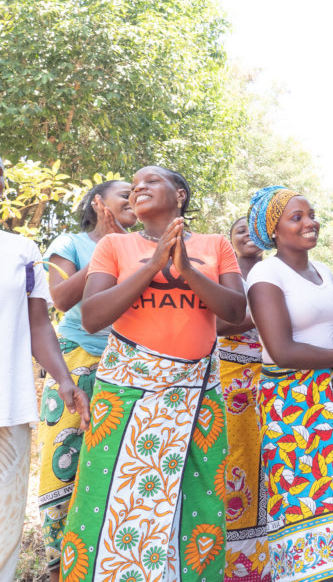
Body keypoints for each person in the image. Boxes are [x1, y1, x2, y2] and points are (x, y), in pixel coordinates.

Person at [64, 165, 246, 582]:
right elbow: (92, 317)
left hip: (197, 395)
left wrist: (188, 269)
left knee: (195, 505)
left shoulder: (216, 244)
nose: (138, 188)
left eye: (152, 181)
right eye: (134, 184)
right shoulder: (113, 245)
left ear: (179, 194)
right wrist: (152, 265)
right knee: (112, 500)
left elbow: (236, 311)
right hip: (127, 396)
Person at [246, 186, 333, 582]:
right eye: (296, 217)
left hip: (328, 399)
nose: (310, 222)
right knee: (302, 504)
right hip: (291, 403)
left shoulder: (322, 273)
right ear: (273, 229)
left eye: (311, 214)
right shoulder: (266, 273)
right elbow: (282, 350)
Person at [36, 179, 136, 580]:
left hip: (124, 362)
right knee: (63, 458)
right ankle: (56, 560)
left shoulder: (141, 246)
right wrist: (108, 249)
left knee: (108, 461)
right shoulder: (70, 242)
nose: (133, 200)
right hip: (74, 359)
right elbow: (60, 299)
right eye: (123, 195)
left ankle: (95, 555)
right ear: (98, 203)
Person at [0, 157, 90, 582]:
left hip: (8, 405)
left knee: (4, 521)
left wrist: (64, 378)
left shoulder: (22, 251)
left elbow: (39, 324)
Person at [216, 216, 270, 582]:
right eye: (240, 231)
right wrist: (263, 317)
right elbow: (212, 322)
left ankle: (264, 563)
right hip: (229, 377)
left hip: (269, 375)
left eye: (255, 229)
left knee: (265, 463)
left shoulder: (277, 272)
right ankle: (230, 563)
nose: (248, 235)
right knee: (233, 463)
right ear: (230, 240)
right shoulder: (223, 274)